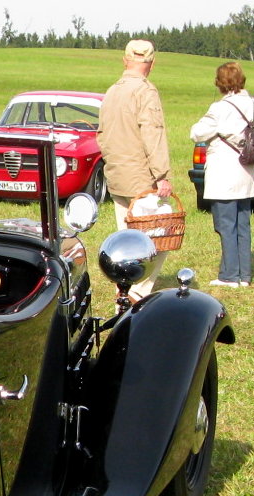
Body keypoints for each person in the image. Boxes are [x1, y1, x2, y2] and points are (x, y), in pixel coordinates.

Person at [189, 61, 254, 288]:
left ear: (220, 83)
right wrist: (252, 146)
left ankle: (229, 275)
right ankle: (244, 275)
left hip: (224, 175)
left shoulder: (220, 109)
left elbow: (196, 133)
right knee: (243, 224)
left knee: (225, 224)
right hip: (247, 172)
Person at [97, 39, 172, 301]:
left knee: (125, 236)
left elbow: (101, 135)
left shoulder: (112, 91)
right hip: (142, 178)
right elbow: (153, 134)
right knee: (159, 238)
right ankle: (137, 292)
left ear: (125, 60)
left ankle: (122, 284)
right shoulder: (145, 91)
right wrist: (161, 175)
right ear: (151, 63)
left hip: (116, 175)